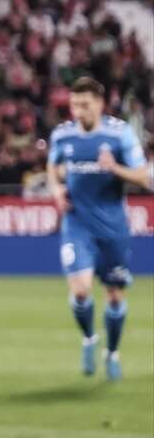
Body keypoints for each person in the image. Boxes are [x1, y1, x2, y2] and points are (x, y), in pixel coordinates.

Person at [47, 75, 148, 380]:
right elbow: (52, 167)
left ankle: (112, 353)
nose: (78, 111)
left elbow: (143, 178)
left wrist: (114, 168)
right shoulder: (62, 136)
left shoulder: (120, 134)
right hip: (77, 223)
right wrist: (55, 190)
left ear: (100, 105)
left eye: (85, 105)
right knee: (80, 290)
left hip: (112, 226)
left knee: (115, 296)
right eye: (75, 105)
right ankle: (90, 338)